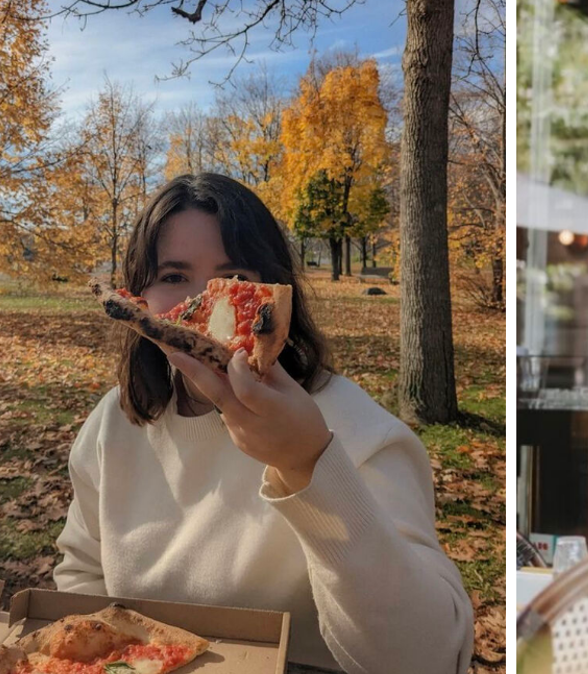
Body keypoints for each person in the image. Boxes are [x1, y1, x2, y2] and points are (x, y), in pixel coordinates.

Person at [53, 173, 474, 674]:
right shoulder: (112, 424)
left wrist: (307, 464)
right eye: (172, 277)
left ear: (277, 294)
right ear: (137, 298)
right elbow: (81, 574)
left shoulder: (359, 429)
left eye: (234, 280)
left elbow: (429, 659)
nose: (202, 305)